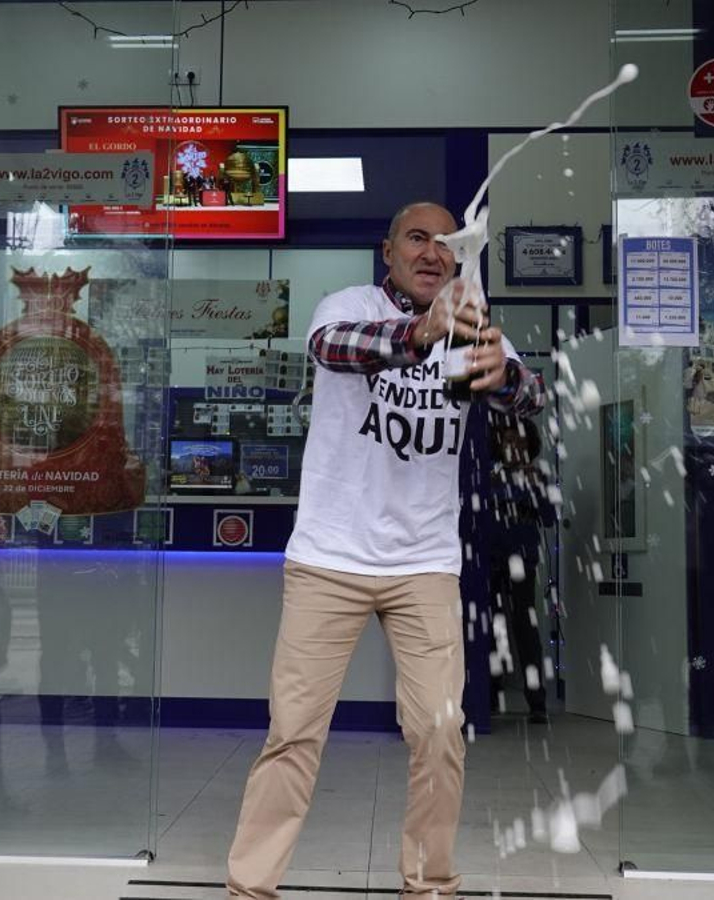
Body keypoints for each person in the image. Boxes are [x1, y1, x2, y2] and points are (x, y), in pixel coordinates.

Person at [226, 202, 546, 899]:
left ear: (457, 258)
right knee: (293, 734)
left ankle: (430, 888)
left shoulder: (471, 322)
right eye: (416, 238)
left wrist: (504, 378)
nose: (432, 252)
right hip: (329, 559)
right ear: (389, 250)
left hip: (424, 565)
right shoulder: (349, 306)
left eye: (445, 243)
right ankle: (249, 890)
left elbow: (530, 397)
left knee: (440, 734)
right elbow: (333, 348)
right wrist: (420, 333)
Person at [485, 415, 557, 724]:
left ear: (530, 445)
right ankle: (489, 695)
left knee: (525, 628)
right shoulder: (489, 475)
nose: (513, 446)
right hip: (490, 557)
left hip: (522, 558)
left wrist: (535, 487)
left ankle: (537, 702)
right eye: (509, 440)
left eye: (520, 441)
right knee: (490, 626)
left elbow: (549, 517)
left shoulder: (538, 475)